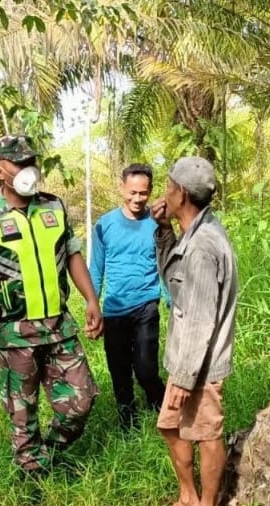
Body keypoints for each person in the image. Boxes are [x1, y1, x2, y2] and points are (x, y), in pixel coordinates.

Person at [0, 135, 103, 475]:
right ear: (0, 171)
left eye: (31, 163)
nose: (29, 170)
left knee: (80, 401)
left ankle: (48, 454)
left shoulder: (53, 206)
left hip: (59, 326)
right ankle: (33, 478)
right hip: (15, 332)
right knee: (21, 412)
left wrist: (91, 299)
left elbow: (72, 255)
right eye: (19, 164)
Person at [150, 156, 238, 506]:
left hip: (199, 364)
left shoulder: (204, 246)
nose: (162, 194)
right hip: (184, 358)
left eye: (168, 187)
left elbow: (201, 319)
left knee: (206, 432)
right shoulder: (192, 232)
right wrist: (163, 229)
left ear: (181, 193)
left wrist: (185, 377)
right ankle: (188, 498)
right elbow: (173, 281)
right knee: (170, 427)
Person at [89, 164, 168, 431]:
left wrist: (170, 299)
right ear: (122, 187)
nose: (137, 199)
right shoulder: (105, 224)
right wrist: (93, 305)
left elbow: (165, 263)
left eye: (143, 194)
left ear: (150, 192)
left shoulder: (157, 224)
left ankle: (164, 413)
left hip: (146, 305)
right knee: (120, 374)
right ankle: (128, 426)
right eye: (132, 192)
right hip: (114, 310)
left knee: (146, 371)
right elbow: (96, 268)